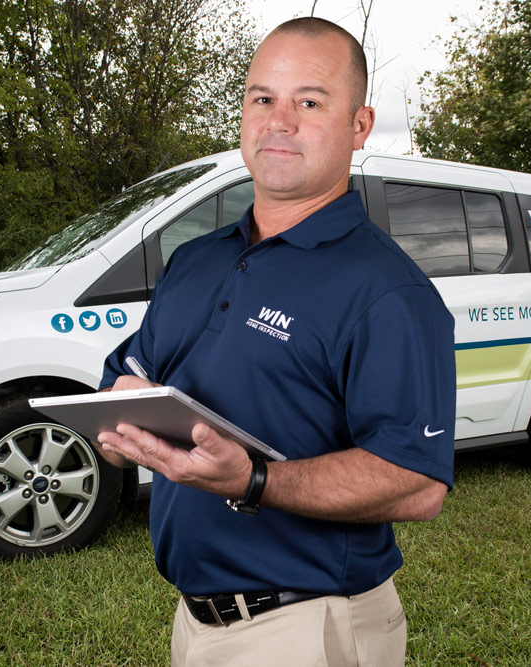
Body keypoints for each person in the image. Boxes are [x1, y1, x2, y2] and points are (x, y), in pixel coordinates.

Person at [96, 16, 455, 667]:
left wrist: (255, 478)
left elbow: (416, 483)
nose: (279, 120)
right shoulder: (195, 261)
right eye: (263, 98)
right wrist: (121, 425)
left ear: (359, 125)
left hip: (307, 627)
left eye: (308, 101)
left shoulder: (387, 291)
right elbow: (128, 373)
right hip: (193, 619)